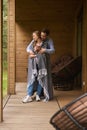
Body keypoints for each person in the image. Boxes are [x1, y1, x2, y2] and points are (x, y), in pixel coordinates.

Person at [25, 28, 55, 101]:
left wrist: (44, 50)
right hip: (34, 63)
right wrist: (31, 53)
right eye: (41, 35)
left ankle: (40, 94)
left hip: (44, 63)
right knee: (33, 78)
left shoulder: (48, 41)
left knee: (41, 78)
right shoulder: (34, 41)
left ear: (47, 36)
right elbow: (28, 48)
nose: (42, 37)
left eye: (44, 36)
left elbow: (52, 50)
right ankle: (30, 94)